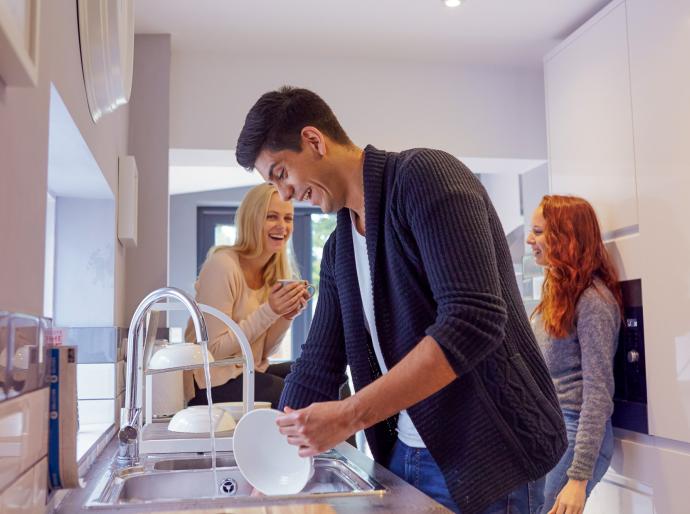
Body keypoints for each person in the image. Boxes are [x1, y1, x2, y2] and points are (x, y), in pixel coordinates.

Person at [235, 86, 567, 514]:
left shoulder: (424, 177)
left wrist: (350, 414)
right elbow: (319, 361)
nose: (284, 194)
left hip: (483, 453)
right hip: (401, 456)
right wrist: (270, 462)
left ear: (314, 141)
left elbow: (472, 321)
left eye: (280, 174)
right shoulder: (338, 249)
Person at [526, 195, 622, 514]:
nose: (530, 239)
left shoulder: (593, 302)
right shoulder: (554, 296)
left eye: (538, 232)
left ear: (565, 237)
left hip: (574, 436)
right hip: (550, 431)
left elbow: (597, 394)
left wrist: (578, 478)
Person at [184, 183, 310, 408]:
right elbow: (214, 351)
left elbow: (263, 353)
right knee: (292, 393)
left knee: (326, 377)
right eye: (272, 216)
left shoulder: (274, 273)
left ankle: (341, 445)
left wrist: (285, 316)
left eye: (288, 218)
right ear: (251, 220)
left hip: (248, 370)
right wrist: (270, 311)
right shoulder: (222, 266)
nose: (282, 226)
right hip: (209, 382)